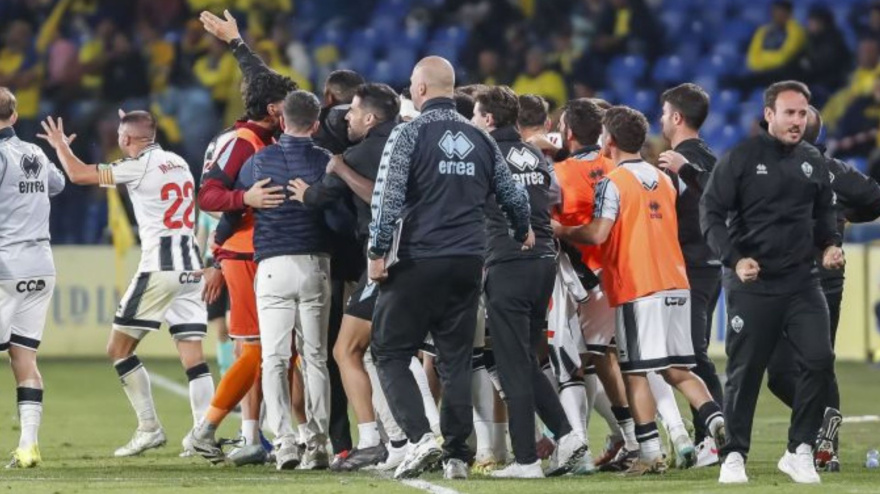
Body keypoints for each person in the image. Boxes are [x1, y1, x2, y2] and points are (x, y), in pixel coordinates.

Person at [368, 56, 532, 480]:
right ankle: (457, 456)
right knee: (455, 358)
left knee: (387, 349)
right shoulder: (480, 138)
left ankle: (421, 438)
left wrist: (376, 251)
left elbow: (387, 196)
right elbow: (513, 195)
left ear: (420, 90)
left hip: (420, 258)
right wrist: (522, 229)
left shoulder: (409, 133)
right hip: (468, 261)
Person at [556, 106, 727, 476]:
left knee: (635, 372)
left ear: (610, 140)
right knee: (679, 369)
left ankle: (650, 453)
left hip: (639, 286)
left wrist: (563, 231)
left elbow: (598, 234)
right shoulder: (663, 178)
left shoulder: (612, 183)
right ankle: (715, 422)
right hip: (677, 283)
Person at [39, 110, 215, 458]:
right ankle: (201, 436)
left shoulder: (139, 166)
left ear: (126, 139)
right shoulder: (178, 162)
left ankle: (149, 427)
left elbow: (77, 174)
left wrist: (60, 146)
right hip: (191, 269)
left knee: (118, 350)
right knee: (194, 358)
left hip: (159, 269)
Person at [701, 81, 844, 485]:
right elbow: (710, 212)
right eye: (789, 113)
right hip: (753, 284)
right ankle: (734, 456)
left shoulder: (813, 161)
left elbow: (823, 217)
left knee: (819, 361)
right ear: (769, 115)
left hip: (802, 282)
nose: (797, 121)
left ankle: (799, 450)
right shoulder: (741, 159)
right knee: (746, 372)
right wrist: (734, 258)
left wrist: (830, 245)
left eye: (803, 114)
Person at [190, 10, 296, 466]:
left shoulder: (253, 135)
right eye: (286, 106)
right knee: (258, 350)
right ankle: (206, 428)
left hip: (245, 251)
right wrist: (245, 197)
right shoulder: (241, 143)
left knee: (265, 349)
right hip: (246, 253)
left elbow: (261, 80)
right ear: (274, 111)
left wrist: (237, 43)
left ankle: (254, 434)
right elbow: (209, 195)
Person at [288, 82, 409, 471]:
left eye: (353, 112)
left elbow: (323, 196)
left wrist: (309, 187)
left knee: (346, 351)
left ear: (371, 117)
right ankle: (414, 440)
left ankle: (386, 440)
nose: (348, 118)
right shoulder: (412, 141)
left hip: (384, 260)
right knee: (423, 355)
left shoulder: (360, 153)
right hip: (432, 256)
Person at [471, 85, 590, 479]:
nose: (473, 122)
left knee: (511, 363)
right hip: (543, 263)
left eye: (475, 115)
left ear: (489, 119)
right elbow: (550, 194)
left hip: (508, 260)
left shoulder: (486, 153)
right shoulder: (534, 154)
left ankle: (526, 460)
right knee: (524, 357)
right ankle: (568, 436)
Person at [765, 106, 880, 473]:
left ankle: (823, 440)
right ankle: (823, 427)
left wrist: (843, 215)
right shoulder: (834, 173)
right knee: (791, 370)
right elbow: (874, 198)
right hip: (798, 281)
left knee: (799, 366)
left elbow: (876, 199)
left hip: (809, 281)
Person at [239, 90, 333, 471]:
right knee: (315, 359)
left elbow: (236, 206)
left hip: (273, 265)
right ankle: (318, 442)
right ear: (315, 124)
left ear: (281, 121)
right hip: (314, 262)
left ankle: (285, 442)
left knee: (274, 358)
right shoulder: (325, 161)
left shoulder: (260, 162)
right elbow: (338, 214)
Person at [656, 83, 724, 467]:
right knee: (691, 354)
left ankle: (712, 438)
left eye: (665, 113)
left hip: (691, 266)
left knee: (694, 355)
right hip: (709, 264)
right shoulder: (713, 158)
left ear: (678, 118)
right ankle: (711, 435)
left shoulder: (676, 162)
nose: (662, 119)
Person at [0, 87, 65, 468]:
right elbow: (57, 185)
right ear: (16, 115)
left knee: (21, 357)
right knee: (24, 358)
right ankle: (28, 446)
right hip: (41, 266)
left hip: (6, 266)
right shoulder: (36, 153)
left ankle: (27, 447)